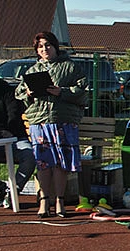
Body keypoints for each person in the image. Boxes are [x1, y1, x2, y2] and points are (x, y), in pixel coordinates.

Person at [15, 31, 87, 218]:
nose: (44, 49)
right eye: (40, 47)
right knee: (43, 164)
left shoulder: (70, 67)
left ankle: (60, 201)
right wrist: (29, 94)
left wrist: (61, 92)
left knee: (60, 164)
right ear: (36, 51)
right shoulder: (31, 71)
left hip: (63, 121)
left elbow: (82, 90)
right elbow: (19, 95)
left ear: (55, 46)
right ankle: (44, 201)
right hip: (40, 122)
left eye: (47, 45)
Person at [0, 78, 35, 209]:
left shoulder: (7, 91)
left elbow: (14, 115)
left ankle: (14, 191)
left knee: (29, 156)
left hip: (15, 138)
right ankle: (0, 188)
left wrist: (7, 131)